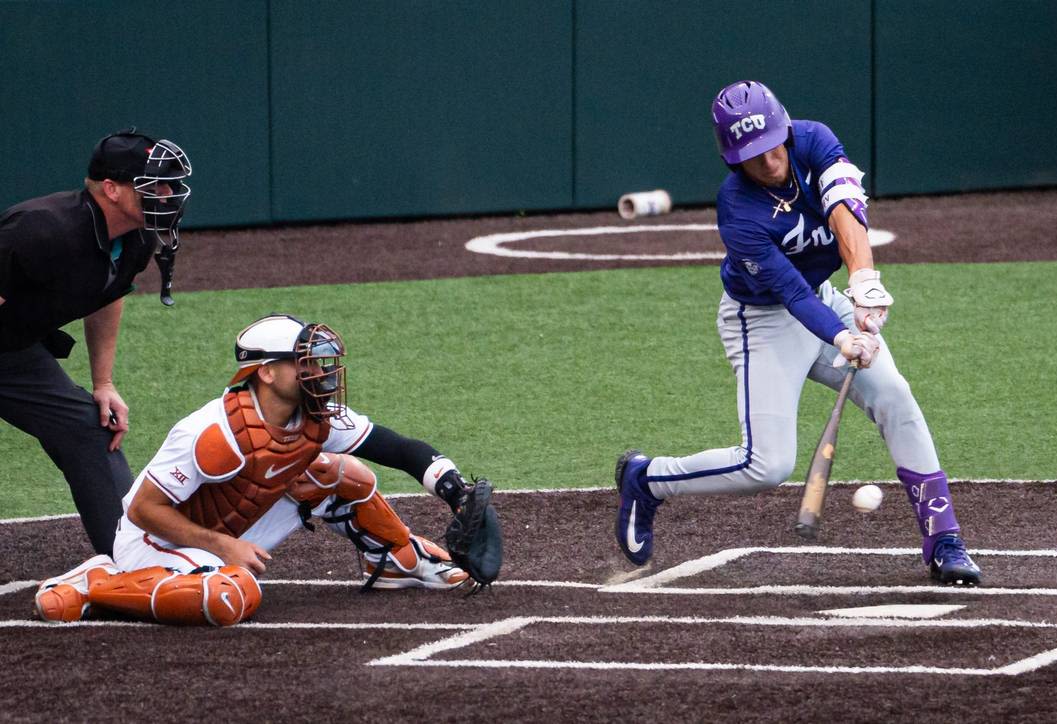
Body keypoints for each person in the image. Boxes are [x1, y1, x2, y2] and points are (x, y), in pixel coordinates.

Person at [614, 80, 981, 586]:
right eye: (752, 156)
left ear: (784, 129)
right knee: (766, 466)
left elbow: (844, 213)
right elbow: (791, 294)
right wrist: (842, 337)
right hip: (762, 322)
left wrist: (864, 281)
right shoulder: (738, 210)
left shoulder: (815, 142)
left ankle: (944, 540)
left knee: (895, 395)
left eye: (771, 146)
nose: (767, 162)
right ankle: (648, 479)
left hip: (827, 298)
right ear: (732, 159)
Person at [34, 314, 499, 625]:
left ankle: (398, 560)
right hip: (157, 542)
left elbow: (399, 449)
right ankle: (98, 583)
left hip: (235, 530)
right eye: (303, 363)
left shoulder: (315, 417)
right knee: (228, 598)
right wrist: (220, 545)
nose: (318, 372)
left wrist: (457, 491)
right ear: (267, 372)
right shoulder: (212, 433)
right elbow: (141, 511)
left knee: (344, 473)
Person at [0, 129, 192, 555]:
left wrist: (102, 383)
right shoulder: (41, 230)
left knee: (89, 427)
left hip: (11, 351)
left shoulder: (137, 238)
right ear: (112, 189)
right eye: (153, 185)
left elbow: (108, 297)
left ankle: (130, 557)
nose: (167, 195)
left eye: (169, 185)